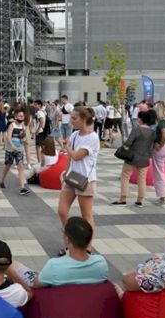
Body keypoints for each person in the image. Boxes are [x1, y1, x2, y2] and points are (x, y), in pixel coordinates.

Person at [13, 217, 108, 288]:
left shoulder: (54, 265)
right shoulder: (100, 263)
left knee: (14, 265)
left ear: (67, 238)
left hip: (58, 299)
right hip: (88, 301)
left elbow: (36, 284)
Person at [58, 106, 99, 248]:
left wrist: (66, 147)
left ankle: (87, 247)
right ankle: (70, 243)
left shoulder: (93, 137)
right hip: (72, 177)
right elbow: (70, 157)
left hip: (86, 180)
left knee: (86, 215)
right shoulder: (75, 134)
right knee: (62, 211)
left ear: (84, 119)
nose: (71, 120)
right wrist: (65, 172)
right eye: (71, 117)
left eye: (74, 118)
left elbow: (76, 156)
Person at [111, 111, 155, 207]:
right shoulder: (152, 132)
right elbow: (152, 145)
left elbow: (128, 142)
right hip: (145, 158)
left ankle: (123, 198)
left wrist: (124, 146)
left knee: (125, 176)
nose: (137, 119)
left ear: (141, 119)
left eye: (139, 117)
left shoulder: (137, 129)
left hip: (132, 157)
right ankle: (140, 200)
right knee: (142, 179)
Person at [0, 108, 29, 195]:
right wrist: (13, 146)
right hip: (10, 149)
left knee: (21, 167)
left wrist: (24, 141)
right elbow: (8, 137)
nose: (21, 117)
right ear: (16, 116)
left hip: (19, 149)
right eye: (19, 116)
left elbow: (22, 137)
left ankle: (22, 188)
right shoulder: (12, 125)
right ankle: (2, 180)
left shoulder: (23, 126)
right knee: (8, 165)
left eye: (22, 116)